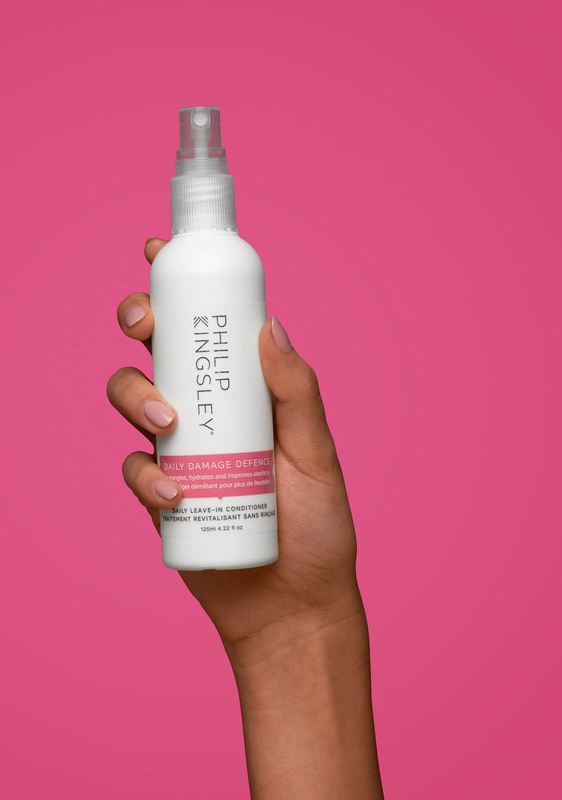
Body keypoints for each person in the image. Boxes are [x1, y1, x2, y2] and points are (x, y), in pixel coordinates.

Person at [107, 236, 384, 799]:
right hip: (258, 588)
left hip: (273, 546)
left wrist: (304, 619)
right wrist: (289, 627)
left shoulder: (236, 261)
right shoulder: (205, 264)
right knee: (193, 385)